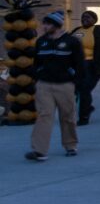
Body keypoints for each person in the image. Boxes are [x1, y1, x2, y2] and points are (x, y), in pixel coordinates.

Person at [25, 12, 85, 162]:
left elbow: (79, 64)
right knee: (44, 116)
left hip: (65, 85)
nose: (44, 27)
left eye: (47, 24)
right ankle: (39, 151)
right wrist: (37, 77)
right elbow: (37, 62)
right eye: (44, 23)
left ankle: (70, 145)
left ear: (56, 25)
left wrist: (75, 83)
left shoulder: (72, 42)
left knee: (68, 117)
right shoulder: (41, 42)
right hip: (44, 85)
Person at [71, 10, 100, 125]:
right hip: (77, 66)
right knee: (75, 89)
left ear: (94, 20)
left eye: (88, 17)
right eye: (83, 17)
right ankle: (88, 108)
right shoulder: (77, 31)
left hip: (93, 66)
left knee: (85, 89)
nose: (85, 19)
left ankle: (84, 117)